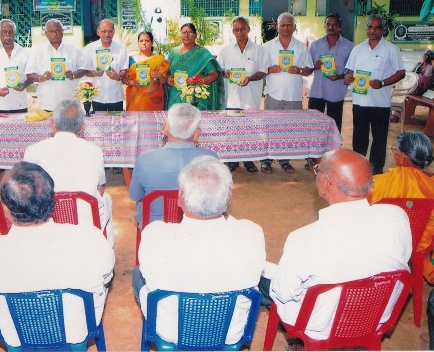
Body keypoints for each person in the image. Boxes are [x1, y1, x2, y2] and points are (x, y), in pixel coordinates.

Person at [264, 149, 411, 344]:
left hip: (321, 326)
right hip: (375, 319)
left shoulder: (304, 238)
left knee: (265, 280)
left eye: (317, 170)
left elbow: (283, 293)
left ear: (326, 183)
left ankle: (298, 343)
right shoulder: (397, 216)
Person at [0, 161, 114, 347]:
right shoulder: (90, 239)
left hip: (16, 338)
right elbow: (106, 276)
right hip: (76, 333)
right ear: (52, 200)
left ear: (5, 208)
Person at [134, 156, 265, 345]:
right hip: (229, 333)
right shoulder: (252, 233)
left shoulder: (155, 235)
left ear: (180, 198)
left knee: (138, 274)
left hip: (172, 332)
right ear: (230, 198)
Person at [23, 100, 113, 244]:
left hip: (44, 221)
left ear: (52, 124)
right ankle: (104, 249)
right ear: (82, 127)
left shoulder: (32, 151)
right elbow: (100, 188)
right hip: (86, 223)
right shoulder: (95, 151)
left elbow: (26, 191)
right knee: (106, 198)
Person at [129, 103, 217, 226]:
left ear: (165, 128)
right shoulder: (211, 158)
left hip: (155, 226)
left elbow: (134, 195)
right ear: (197, 133)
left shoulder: (145, 159)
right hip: (197, 225)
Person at [367, 131, 434, 282]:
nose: (393, 152)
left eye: (394, 149)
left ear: (403, 158)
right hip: (419, 245)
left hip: (387, 244)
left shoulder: (377, 184)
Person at [344, 15, 405, 175]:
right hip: (360, 102)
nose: (373, 31)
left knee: (379, 139)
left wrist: (383, 83)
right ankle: (359, 170)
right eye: (370, 27)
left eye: (377, 28)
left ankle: (376, 171)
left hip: (380, 103)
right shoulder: (357, 49)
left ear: (383, 30)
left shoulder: (391, 49)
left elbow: (401, 73)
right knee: (359, 137)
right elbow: (350, 71)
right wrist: (347, 77)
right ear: (366, 29)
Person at [261, 13, 313, 174]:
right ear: (277, 27)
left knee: (289, 130)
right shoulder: (267, 47)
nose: (286, 28)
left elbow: (309, 70)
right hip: (273, 95)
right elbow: (260, 69)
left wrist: (299, 70)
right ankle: (266, 161)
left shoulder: (301, 47)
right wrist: (269, 69)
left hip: (293, 96)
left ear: (294, 27)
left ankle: (284, 160)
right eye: (282, 25)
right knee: (270, 129)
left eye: (289, 25)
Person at [218, 16, 269, 173]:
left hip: (250, 98)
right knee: (232, 130)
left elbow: (264, 71)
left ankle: (248, 160)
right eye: (236, 29)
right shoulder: (225, 51)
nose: (239, 32)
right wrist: (224, 72)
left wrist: (250, 78)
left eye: (242, 28)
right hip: (232, 98)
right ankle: (232, 160)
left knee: (249, 129)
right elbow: (219, 69)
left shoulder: (259, 50)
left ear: (248, 29)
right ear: (233, 31)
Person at [26, 19, 90, 112]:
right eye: (51, 31)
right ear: (46, 33)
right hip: (47, 103)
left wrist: (73, 75)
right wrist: (41, 77)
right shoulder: (38, 51)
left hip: (70, 101)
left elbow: (85, 68)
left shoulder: (73, 49)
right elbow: (29, 73)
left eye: (58, 30)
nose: (55, 34)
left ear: (62, 31)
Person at [308, 14, 354, 133]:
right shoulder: (315, 45)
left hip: (336, 92)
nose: (331, 27)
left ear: (340, 27)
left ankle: (333, 146)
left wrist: (341, 76)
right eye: (328, 24)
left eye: (334, 24)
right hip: (316, 92)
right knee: (313, 127)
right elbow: (307, 67)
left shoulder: (349, 46)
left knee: (334, 128)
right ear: (324, 26)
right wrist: (314, 66)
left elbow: (351, 70)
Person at [166, 23, 223, 110]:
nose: (186, 35)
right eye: (184, 32)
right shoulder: (173, 52)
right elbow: (167, 72)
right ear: (180, 35)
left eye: (190, 32)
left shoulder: (202, 53)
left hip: (195, 99)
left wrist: (199, 80)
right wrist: (168, 79)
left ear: (196, 35)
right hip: (175, 96)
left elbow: (214, 74)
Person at [0, 19, 32, 114]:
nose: (8, 34)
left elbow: (31, 76)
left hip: (19, 104)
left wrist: (24, 85)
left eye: (11, 32)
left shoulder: (24, 52)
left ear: (14, 33)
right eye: (4, 32)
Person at [84, 19, 128, 112]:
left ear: (114, 32)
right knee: (99, 121)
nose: (107, 34)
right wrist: (94, 73)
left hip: (116, 97)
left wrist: (118, 76)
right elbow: (85, 71)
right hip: (98, 97)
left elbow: (124, 70)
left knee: (117, 121)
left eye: (110, 31)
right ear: (98, 32)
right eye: (104, 31)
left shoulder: (121, 48)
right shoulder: (90, 48)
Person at [123, 31, 169, 111]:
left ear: (152, 43)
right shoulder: (130, 60)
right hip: (135, 100)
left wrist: (159, 75)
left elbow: (164, 81)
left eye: (147, 41)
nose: (144, 43)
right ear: (138, 43)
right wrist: (130, 82)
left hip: (154, 100)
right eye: (141, 41)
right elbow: (124, 79)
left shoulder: (159, 60)